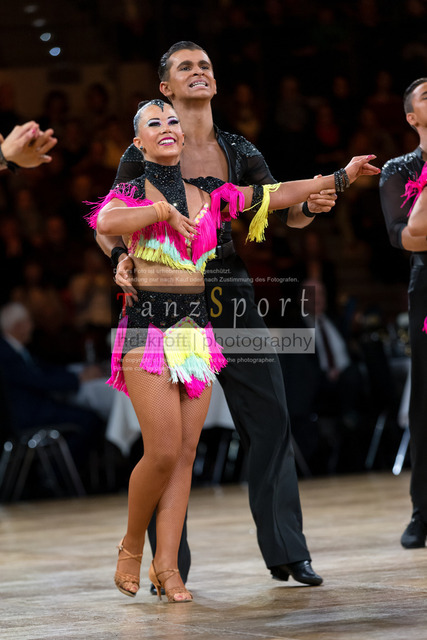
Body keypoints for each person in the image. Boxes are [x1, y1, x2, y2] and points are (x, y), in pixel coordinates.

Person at [96, 41, 373, 590]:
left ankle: (287, 551)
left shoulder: (238, 149)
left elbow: (280, 209)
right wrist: (120, 258)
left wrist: (315, 201)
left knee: (270, 412)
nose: (198, 72)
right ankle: (168, 564)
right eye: (185, 67)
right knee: (168, 442)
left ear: (215, 82)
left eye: (205, 66)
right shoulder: (145, 147)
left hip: (228, 288)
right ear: (165, 87)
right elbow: (110, 221)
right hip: (162, 293)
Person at [379, 77, 427, 549]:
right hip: (426, 286)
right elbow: (405, 237)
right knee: (425, 401)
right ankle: (422, 512)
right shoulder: (399, 169)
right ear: (412, 117)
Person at [0, 302, 108, 479]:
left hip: (35, 410)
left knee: (87, 416)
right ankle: (55, 474)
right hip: (28, 416)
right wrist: (78, 378)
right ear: (18, 326)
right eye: (29, 322)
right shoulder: (6, 353)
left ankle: (55, 472)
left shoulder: (15, 349)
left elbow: (45, 369)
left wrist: (78, 373)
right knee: (90, 420)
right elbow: (38, 380)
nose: (32, 327)